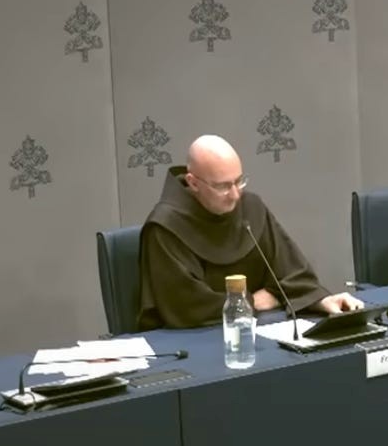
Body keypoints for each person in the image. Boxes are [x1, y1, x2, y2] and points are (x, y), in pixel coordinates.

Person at [137, 135, 363, 331]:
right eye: (223, 186)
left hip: (261, 330)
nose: (235, 195)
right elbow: (187, 307)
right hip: (194, 340)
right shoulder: (165, 226)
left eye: (239, 181)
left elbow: (293, 273)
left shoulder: (250, 207)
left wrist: (319, 301)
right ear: (193, 183)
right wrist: (253, 301)